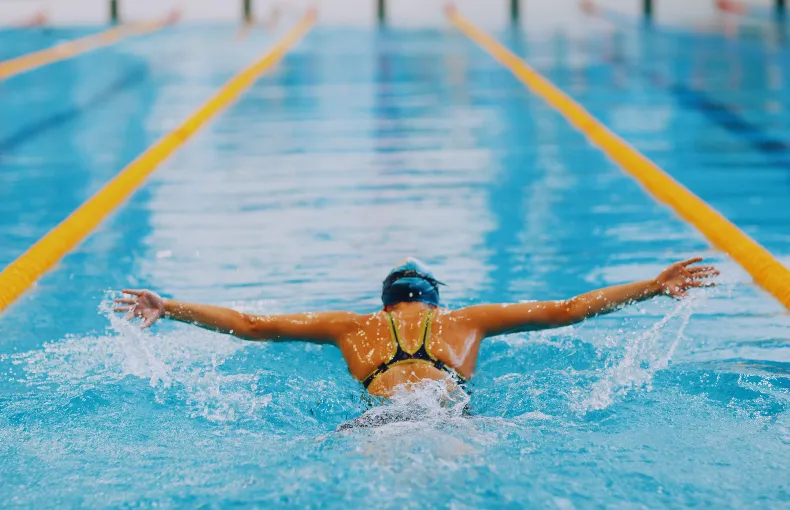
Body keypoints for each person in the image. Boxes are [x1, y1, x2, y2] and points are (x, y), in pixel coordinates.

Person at [114, 257, 718, 398]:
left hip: (378, 414)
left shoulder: (351, 328)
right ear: (432, 301)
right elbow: (568, 308)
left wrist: (168, 306)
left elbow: (251, 324)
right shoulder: (464, 321)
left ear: (386, 304)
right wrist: (651, 287)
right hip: (447, 406)